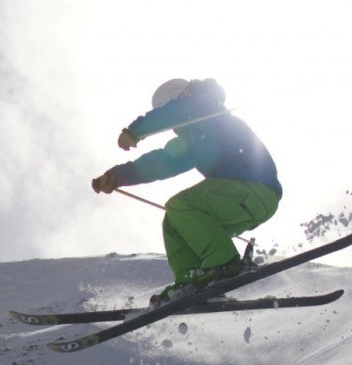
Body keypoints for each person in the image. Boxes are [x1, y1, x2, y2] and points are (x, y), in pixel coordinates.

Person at [92, 78, 282, 304]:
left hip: (255, 190)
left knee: (181, 205)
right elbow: (161, 162)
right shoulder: (192, 139)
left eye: (167, 109)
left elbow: (179, 111)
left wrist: (134, 131)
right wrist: (117, 176)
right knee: (174, 222)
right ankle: (192, 279)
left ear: (180, 98)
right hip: (240, 204)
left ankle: (222, 263)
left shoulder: (207, 110)